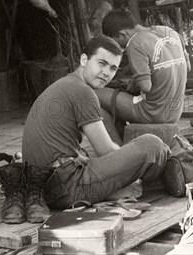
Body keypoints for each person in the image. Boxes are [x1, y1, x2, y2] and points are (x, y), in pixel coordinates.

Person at [21, 36, 170, 210]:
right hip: (66, 188)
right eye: (102, 63)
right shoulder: (83, 92)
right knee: (152, 145)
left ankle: (136, 184)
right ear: (84, 59)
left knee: (94, 158)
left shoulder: (66, 84)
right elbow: (105, 150)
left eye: (113, 68)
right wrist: (131, 165)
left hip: (40, 189)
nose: (107, 72)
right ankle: (163, 174)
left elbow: (68, 155)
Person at [98, 9, 190, 143]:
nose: (117, 47)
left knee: (93, 93)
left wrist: (135, 82)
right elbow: (187, 67)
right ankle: (124, 139)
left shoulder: (135, 43)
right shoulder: (169, 31)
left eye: (115, 42)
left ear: (123, 34)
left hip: (154, 112)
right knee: (119, 95)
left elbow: (146, 87)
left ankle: (117, 150)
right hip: (175, 111)